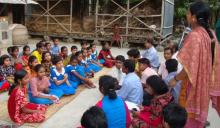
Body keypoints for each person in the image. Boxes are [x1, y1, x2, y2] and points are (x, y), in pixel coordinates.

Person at [169, 2, 220, 127]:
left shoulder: (194, 36)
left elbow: (188, 68)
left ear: (193, 17)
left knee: (188, 116)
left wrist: (175, 79)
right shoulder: (211, 34)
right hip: (204, 84)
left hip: (192, 85)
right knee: (197, 117)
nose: (186, 15)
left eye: (188, 13)